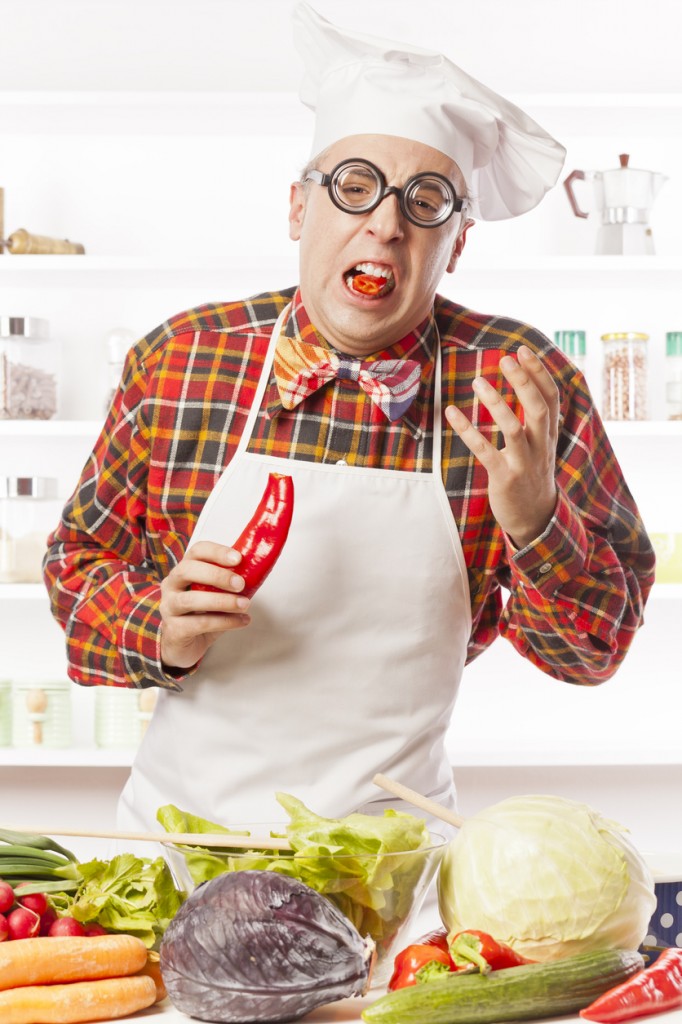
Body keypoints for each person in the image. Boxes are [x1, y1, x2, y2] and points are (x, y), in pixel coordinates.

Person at [43, 3, 654, 836]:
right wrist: (156, 624)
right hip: (185, 843)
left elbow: (593, 653)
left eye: (426, 201)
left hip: (395, 866)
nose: (386, 224)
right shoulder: (181, 358)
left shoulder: (519, 383)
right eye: (354, 186)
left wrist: (537, 521)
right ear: (299, 208)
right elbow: (77, 565)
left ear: (458, 243)